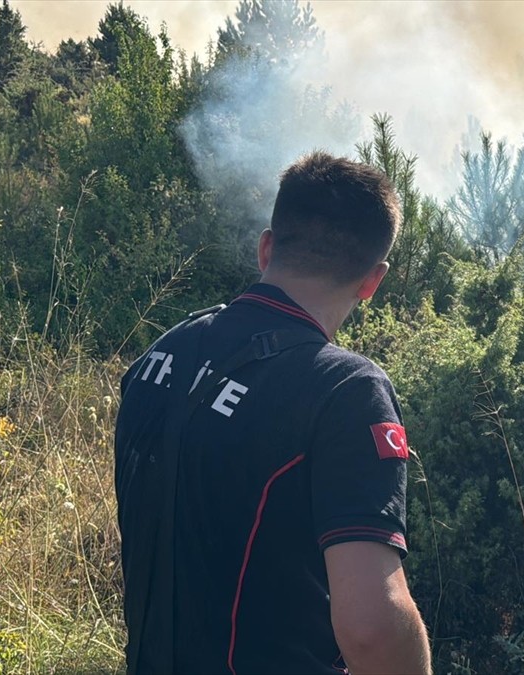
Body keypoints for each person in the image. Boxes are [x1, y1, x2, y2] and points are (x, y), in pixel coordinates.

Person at [114, 152, 432, 675]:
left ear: (267, 247)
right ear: (373, 281)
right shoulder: (346, 391)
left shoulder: (159, 356)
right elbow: (371, 631)